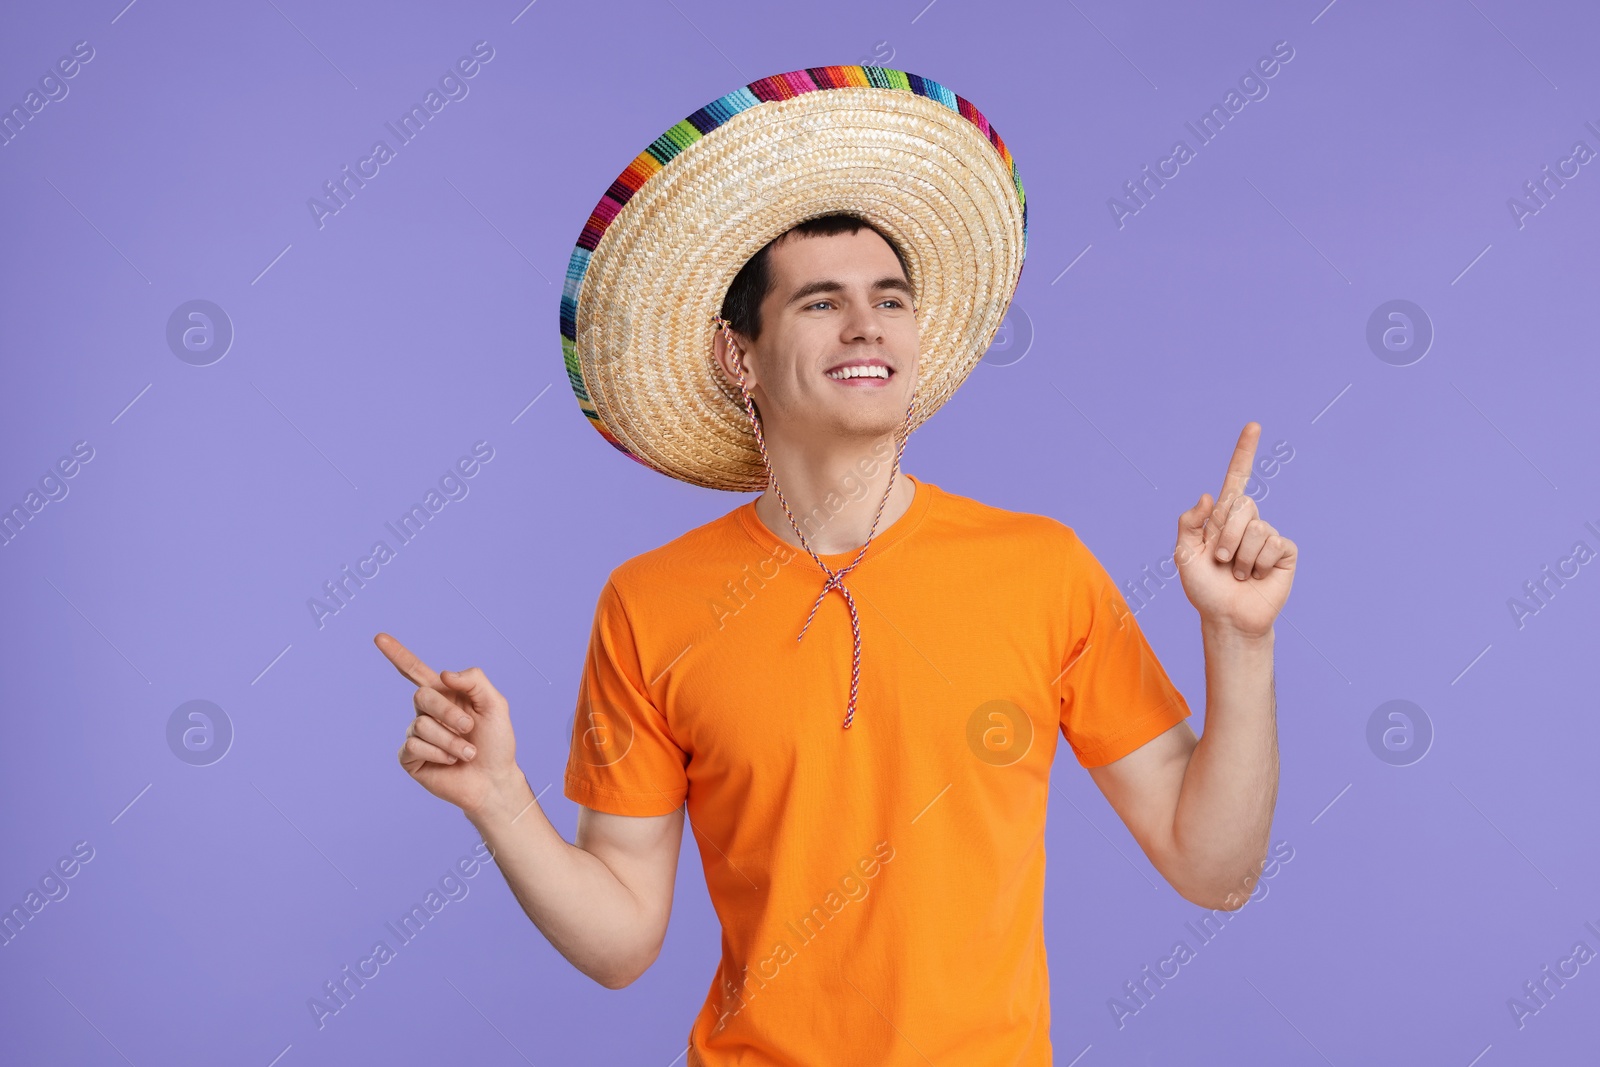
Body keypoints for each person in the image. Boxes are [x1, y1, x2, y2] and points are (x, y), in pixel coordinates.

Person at [375, 65, 1296, 1065]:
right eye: (821, 302)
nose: (868, 324)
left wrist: (1238, 639)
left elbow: (1215, 871)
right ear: (740, 356)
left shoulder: (1041, 568)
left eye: (890, 298)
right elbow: (622, 938)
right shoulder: (648, 602)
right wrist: (502, 800)